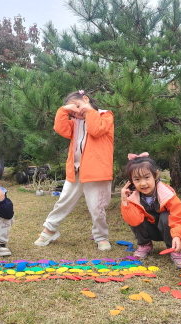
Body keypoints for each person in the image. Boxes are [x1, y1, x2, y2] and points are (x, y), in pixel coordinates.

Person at [34, 90, 114, 251]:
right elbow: (60, 128)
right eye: (73, 112)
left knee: (97, 208)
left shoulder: (106, 116)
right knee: (63, 202)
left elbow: (95, 130)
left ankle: (101, 237)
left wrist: (90, 111)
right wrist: (64, 110)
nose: (77, 113)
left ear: (86, 99)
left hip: (97, 173)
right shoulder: (75, 123)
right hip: (75, 172)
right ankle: (49, 230)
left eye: (78, 106)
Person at [120, 153, 181, 266]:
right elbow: (133, 221)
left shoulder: (168, 195)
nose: (143, 183)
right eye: (137, 179)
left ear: (155, 175)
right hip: (149, 230)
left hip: (168, 232)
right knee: (134, 213)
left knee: (166, 216)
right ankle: (145, 244)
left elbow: (179, 218)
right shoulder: (132, 197)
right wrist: (125, 202)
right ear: (131, 181)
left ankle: (174, 249)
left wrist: (177, 236)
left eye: (147, 177)